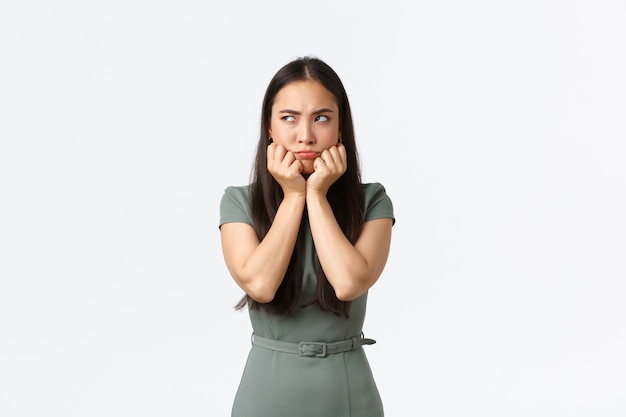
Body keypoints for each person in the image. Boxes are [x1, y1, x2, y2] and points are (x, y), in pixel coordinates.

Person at [219, 56, 395, 417]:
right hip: (267, 391)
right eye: (289, 118)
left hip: (348, 391)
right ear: (269, 126)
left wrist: (316, 195)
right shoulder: (238, 202)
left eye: (321, 118)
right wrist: (294, 197)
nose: (305, 135)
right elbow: (261, 285)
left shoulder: (372, 200)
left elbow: (349, 283)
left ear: (340, 126)